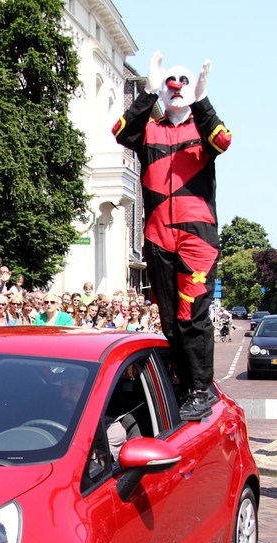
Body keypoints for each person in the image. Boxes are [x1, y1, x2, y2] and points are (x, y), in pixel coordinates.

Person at [113, 52, 231, 421]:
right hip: (158, 235)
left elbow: (224, 140)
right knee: (168, 318)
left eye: (182, 81)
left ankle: (201, 387)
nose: (176, 86)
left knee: (191, 315)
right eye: (170, 81)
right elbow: (120, 131)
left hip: (197, 235)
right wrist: (147, 90)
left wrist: (203, 99)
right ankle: (186, 382)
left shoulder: (203, 129)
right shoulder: (150, 129)